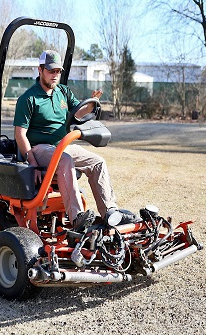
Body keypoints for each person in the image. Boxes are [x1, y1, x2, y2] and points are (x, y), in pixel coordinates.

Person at [14, 50, 132, 231]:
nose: (55, 75)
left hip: (62, 145)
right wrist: (32, 163)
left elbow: (78, 113)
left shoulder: (63, 92)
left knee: (97, 162)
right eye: (51, 70)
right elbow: (20, 134)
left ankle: (109, 212)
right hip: (39, 148)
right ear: (40, 69)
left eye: (57, 71)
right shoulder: (29, 98)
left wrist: (91, 104)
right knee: (65, 160)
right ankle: (77, 217)